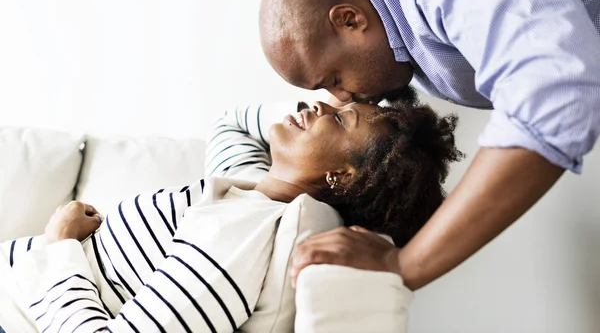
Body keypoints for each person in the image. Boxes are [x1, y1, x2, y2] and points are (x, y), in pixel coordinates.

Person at [259, 0, 600, 290]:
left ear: (349, 20)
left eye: (335, 80)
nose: (339, 98)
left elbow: (557, 89)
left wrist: (405, 265)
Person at [0, 97, 461, 332]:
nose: (317, 102)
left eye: (340, 119)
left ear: (343, 177)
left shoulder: (245, 232)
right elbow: (233, 121)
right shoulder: (249, 185)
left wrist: (60, 245)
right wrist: (347, 94)